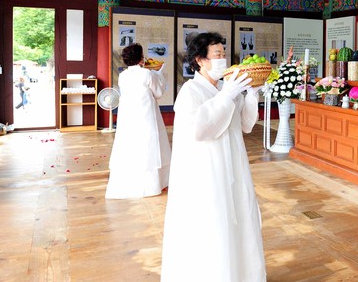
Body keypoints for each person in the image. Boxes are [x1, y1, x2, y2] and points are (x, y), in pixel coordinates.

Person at [161, 32, 266, 282]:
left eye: (223, 53)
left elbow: (246, 125)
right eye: (217, 54)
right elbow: (201, 129)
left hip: (234, 162)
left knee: (238, 214)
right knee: (213, 221)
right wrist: (226, 97)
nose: (223, 59)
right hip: (207, 168)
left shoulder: (224, 87)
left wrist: (252, 95)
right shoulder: (190, 91)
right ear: (200, 60)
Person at [105, 43, 171, 199]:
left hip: (128, 115)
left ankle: (132, 180)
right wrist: (159, 74)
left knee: (131, 144)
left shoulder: (123, 75)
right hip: (146, 113)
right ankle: (154, 184)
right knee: (149, 144)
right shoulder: (147, 74)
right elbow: (159, 93)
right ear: (141, 58)